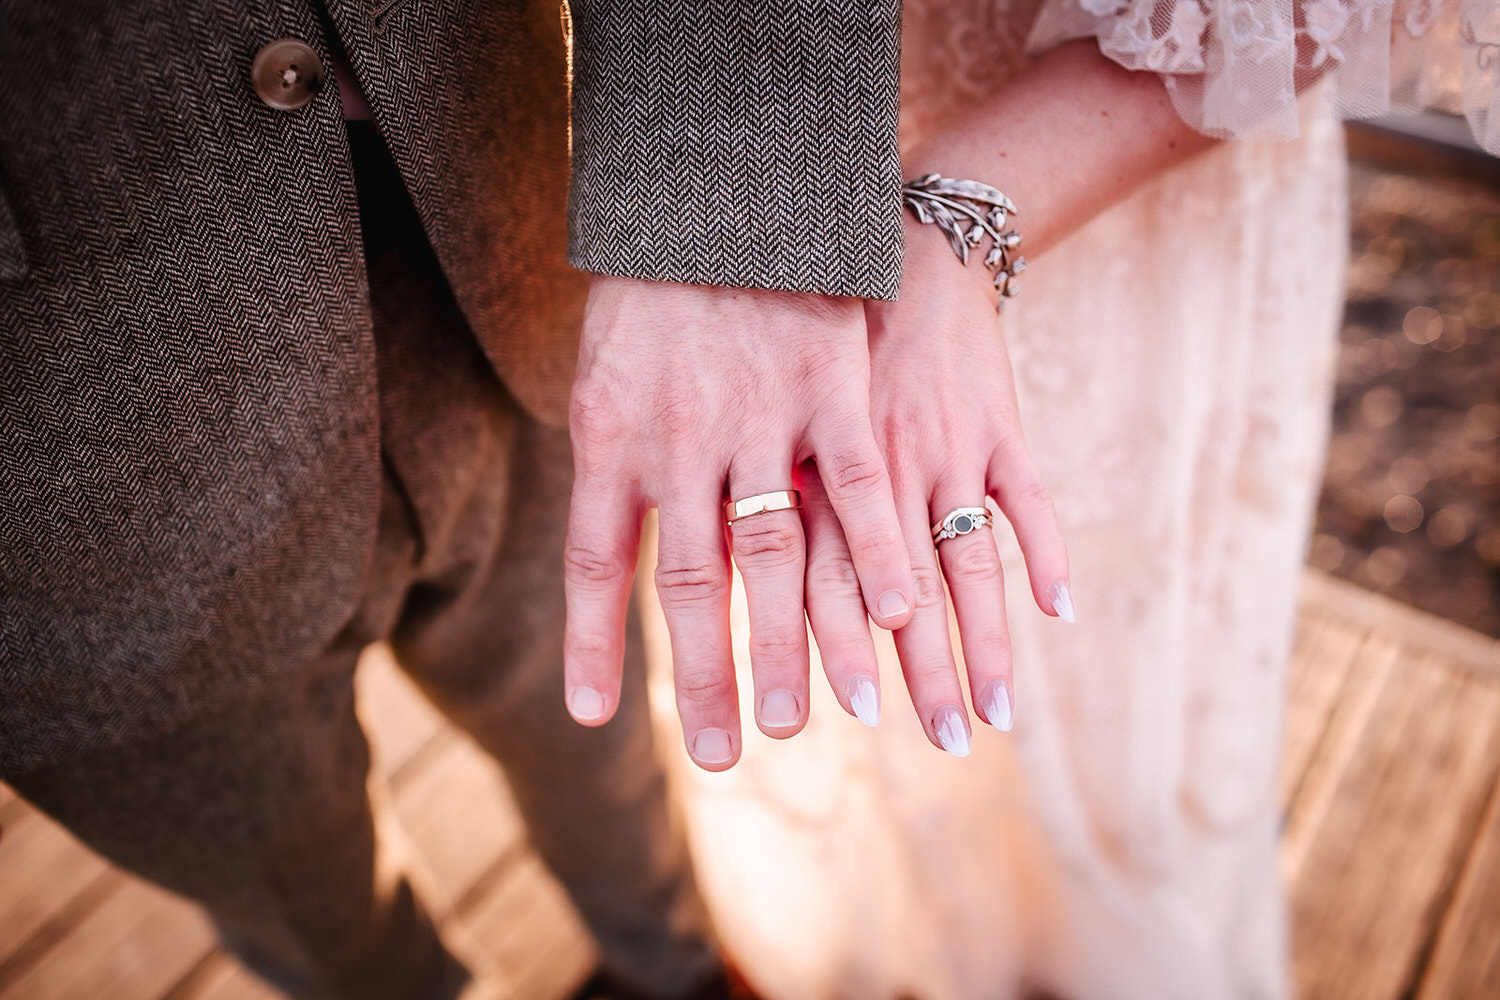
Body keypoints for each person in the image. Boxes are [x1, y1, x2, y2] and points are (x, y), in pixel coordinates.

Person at [0, 1, 922, 997]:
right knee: (314, 907)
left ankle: (677, 969)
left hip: (486, 241)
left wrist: (727, 207)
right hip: (62, 464)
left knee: (601, 748)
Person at [648, 1, 1499, 998]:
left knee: (1102, 746)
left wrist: (938, 230)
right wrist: (702, 201)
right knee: (833, 685)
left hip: (1142, 212)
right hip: (762, 202)